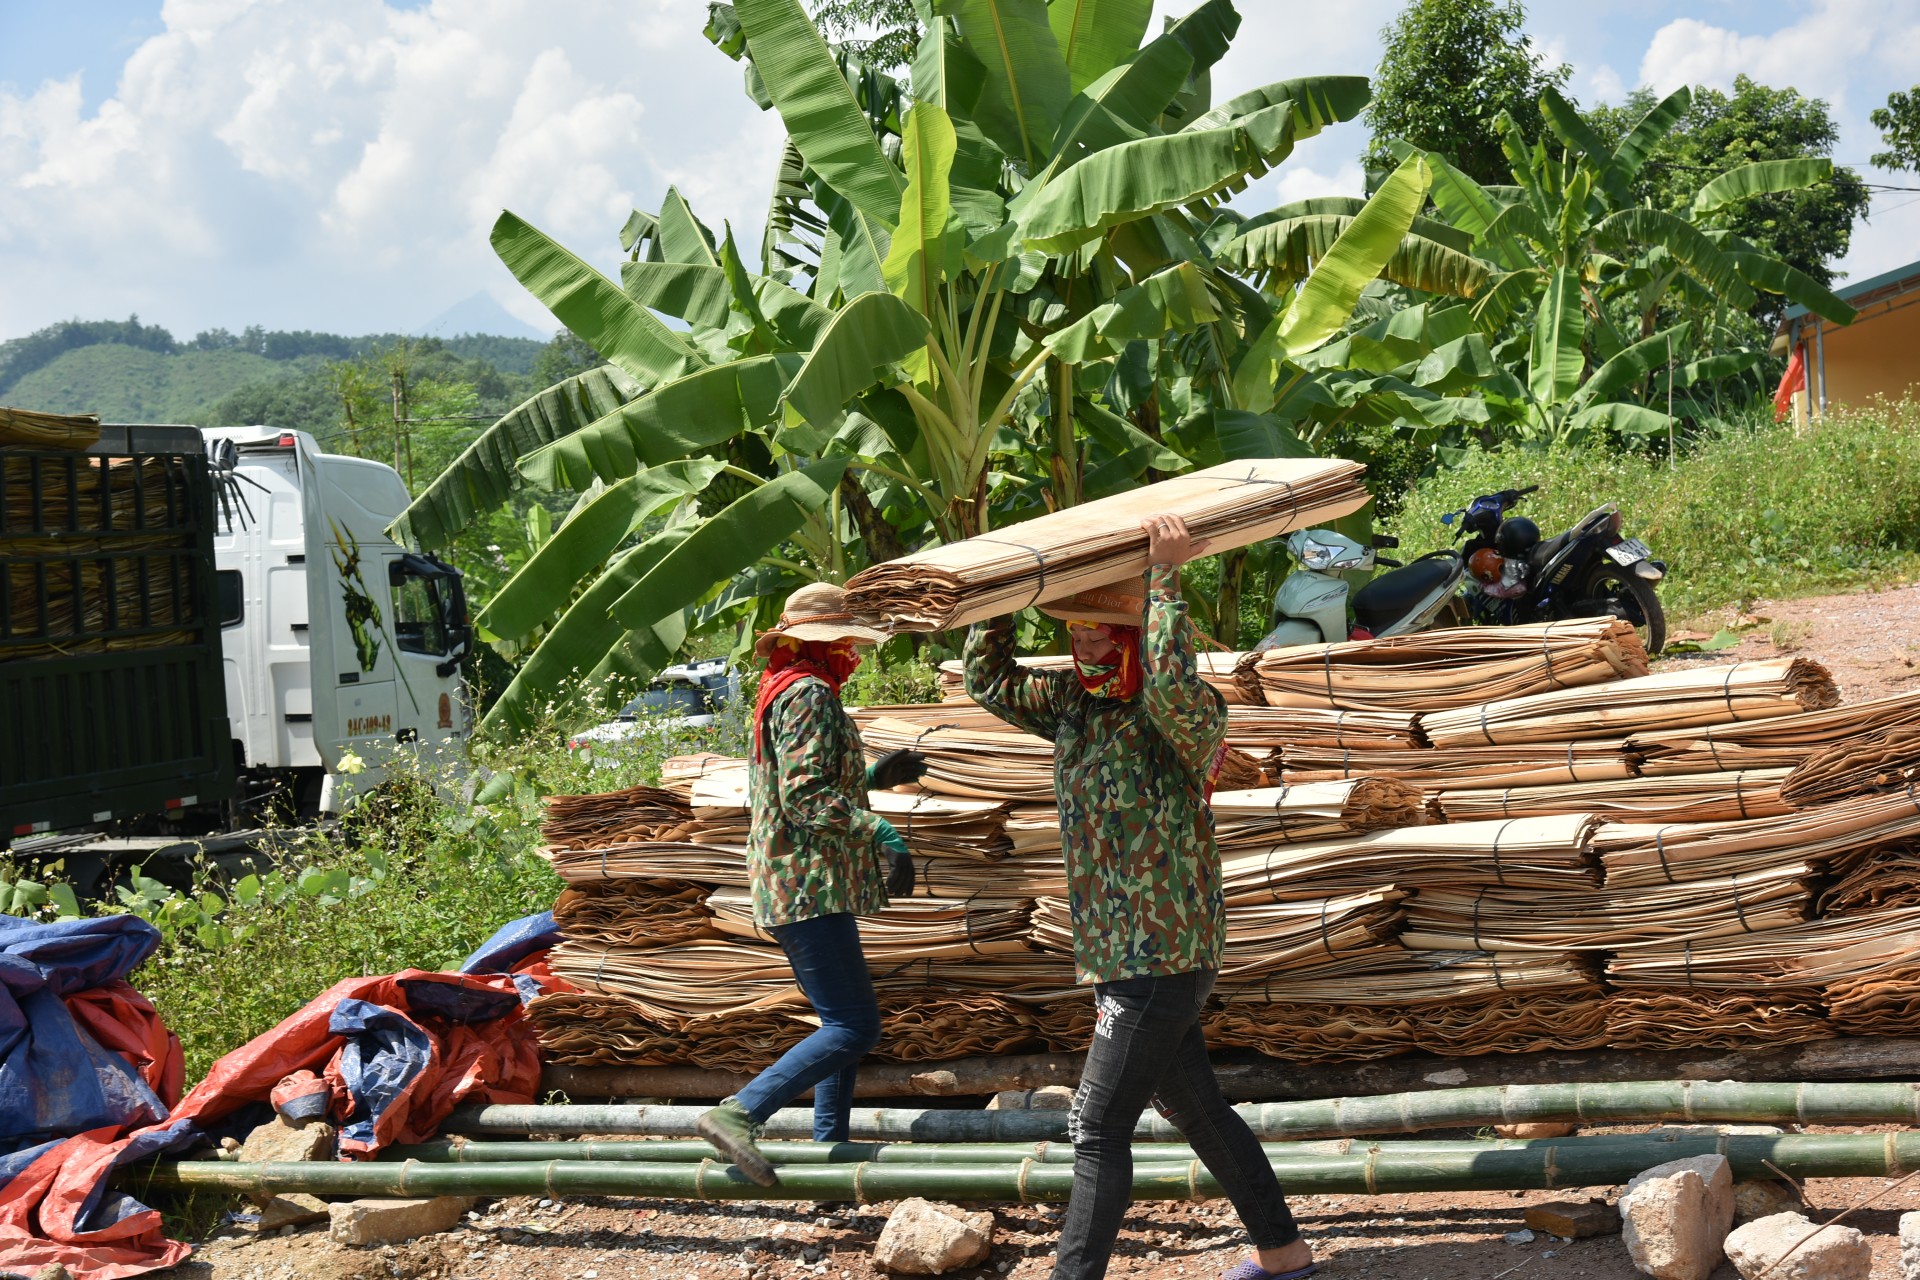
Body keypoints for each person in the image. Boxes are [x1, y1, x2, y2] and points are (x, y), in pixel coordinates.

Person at [965, 515, 1315, 1280]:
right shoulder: (1072, 705)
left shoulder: (1186, 716)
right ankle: (1284, 1253)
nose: (1084, 646)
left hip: (1165, 951)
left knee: (1095, 1124)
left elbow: (1169, 679)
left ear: (1136, 633)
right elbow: (986, 682)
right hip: (1117, 950)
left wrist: (1163, 579)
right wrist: (996, 589)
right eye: (1076, 631)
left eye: (1102, 630)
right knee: (1195, 1109)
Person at [695, 582, 926, 1185]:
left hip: (797, 882)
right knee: (856, 1026)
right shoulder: (809, 694)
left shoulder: (783, 687)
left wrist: (872, 774)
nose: (850, 648)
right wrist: (881, 832)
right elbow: (805, 798)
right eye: (844, 639)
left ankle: (829, 1157)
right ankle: (739, 1112)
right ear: (820, 640)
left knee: (840, 1027)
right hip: (807, 884)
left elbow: (793, 780)